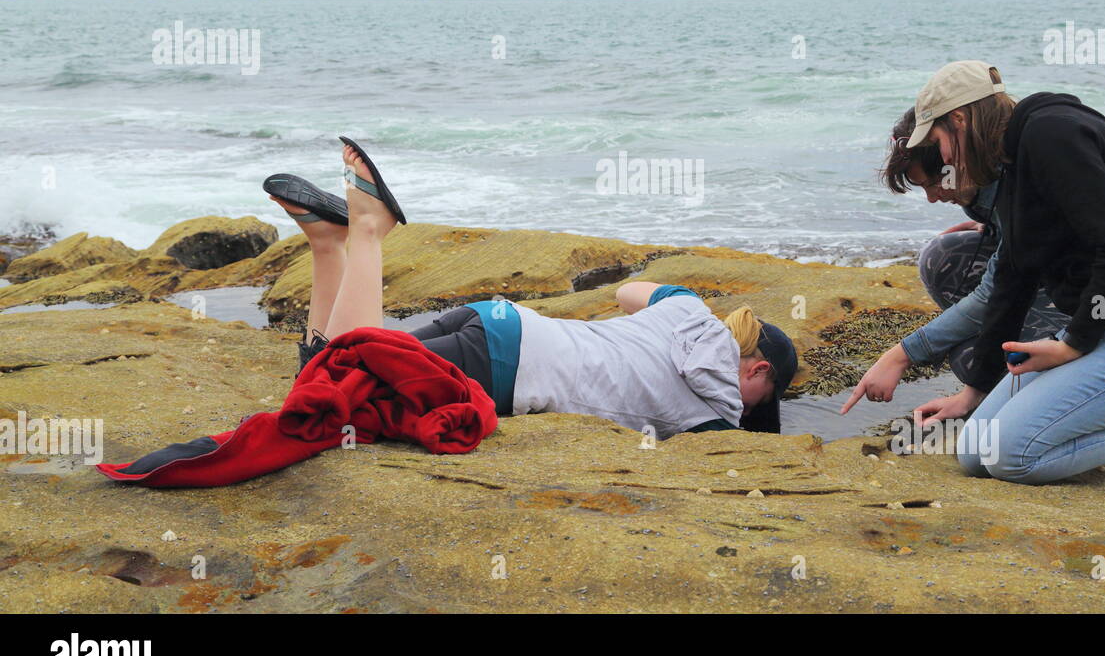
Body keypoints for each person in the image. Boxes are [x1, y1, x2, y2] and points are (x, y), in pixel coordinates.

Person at [864, 61, 1105, 495]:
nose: (942, 158)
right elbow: (1011, 280)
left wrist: (1072, 344)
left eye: (938, 141)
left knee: (1010, 456)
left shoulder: (1051, 133)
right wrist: (975, 390)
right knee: (975, 453)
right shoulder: (1011, 163)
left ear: (960, 120)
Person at [263, 139, 798, 440]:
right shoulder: (718, 415)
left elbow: (628, 293)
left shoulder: (686, 310)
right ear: (756, 372)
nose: (750, 410)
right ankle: (365, 228)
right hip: (506, 367)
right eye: (763, 400)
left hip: (498, 322)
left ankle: (328, 246)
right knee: (343, 381)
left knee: (326, 383)